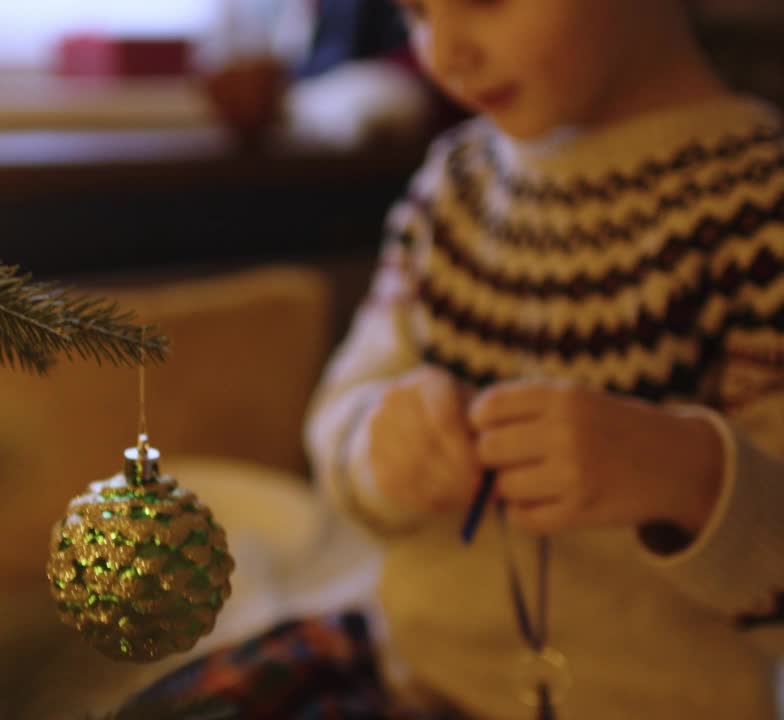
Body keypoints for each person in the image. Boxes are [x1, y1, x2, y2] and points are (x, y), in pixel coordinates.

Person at [132, 1, 784, 718]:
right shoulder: (450, 191)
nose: (443, 52)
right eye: (416, 10)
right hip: (413, 678)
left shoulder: (759, 207)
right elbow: (338, 425)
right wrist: (379, 439)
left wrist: (688, 476)